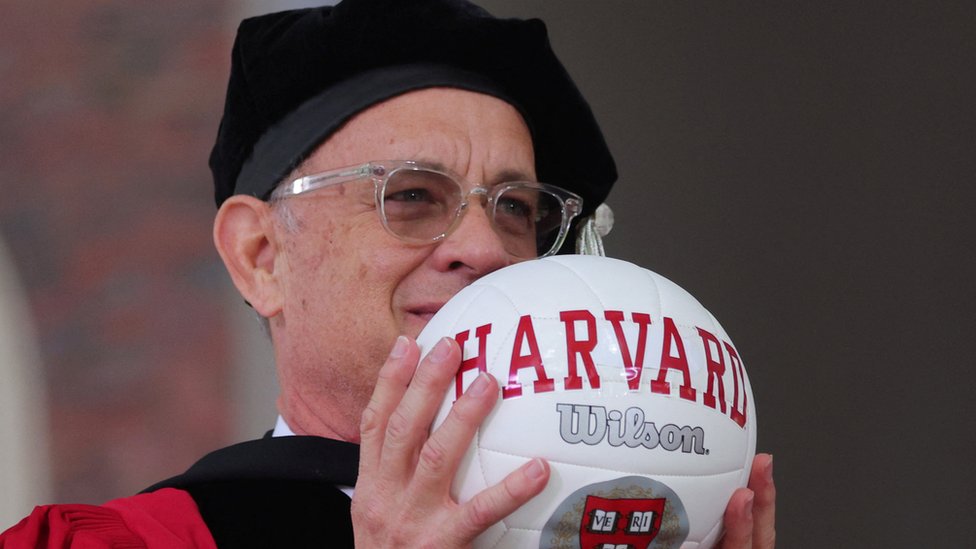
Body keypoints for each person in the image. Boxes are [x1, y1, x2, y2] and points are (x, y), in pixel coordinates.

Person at [1, 0, 775, 547]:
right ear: (261, 257)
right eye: (410, 195)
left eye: (515, 209)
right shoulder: (147, 541)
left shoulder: (619, 518)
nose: (484, 247)